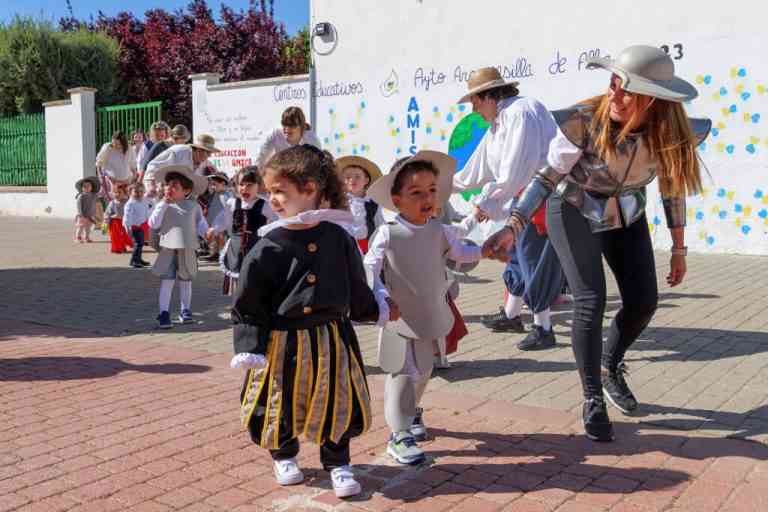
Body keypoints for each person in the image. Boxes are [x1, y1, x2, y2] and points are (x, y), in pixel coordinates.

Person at [483, 45, 711, 442]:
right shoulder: (583, 122)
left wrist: (679, 249)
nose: (615, 95)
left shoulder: (671, 133)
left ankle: (610, 365)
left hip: (626, 214)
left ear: (653, 99)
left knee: (644, 301)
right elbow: (545, 178)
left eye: (627, 90)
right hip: (572, 207)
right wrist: (514, 225)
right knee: (590, 299)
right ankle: (592, 397)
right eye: (613, 84)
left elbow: (673, 190)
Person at [231, 145, 392, 498]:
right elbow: (249, 300)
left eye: (280, 191)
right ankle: (283, 453)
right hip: (282, 340)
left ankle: (338, 461)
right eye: (270, 191)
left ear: (310, 189)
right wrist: (249, 344)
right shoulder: (269, 243)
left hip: (331, 337)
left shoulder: (339, 236)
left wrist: (375, 309)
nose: (272, 199)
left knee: (337, 398)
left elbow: (354, 282)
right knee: (280, 397)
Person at [364, 151, 485, 465]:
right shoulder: (388, 233)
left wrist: (488, 249)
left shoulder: (439, 231)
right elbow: (370, 268)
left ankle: (410, 413)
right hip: (397, 320)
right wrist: (379, 298)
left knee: (425, 370)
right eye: (416, 193)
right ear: (397, 200)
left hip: (430, 315)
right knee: (401, 374)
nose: (427, 198)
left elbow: (459, 251)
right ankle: (398, 434)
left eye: (432, 190)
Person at [453, 67, 565, 351]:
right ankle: (512, 316)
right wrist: (439, 184)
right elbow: (474, 171)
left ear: (489, 96)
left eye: (475, 101)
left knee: (530, 260)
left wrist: (483, 208)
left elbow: (515, 171)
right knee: (518, 258)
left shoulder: (520, 113)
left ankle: (543, 327)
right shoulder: (499, 122)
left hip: (541, 197)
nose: (474, 109)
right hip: (524, 196)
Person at [148, 162, 210, 329]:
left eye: (175, 186)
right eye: (168, 185)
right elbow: (153, 224)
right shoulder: (163, 205)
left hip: (187, 248)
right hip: (168, 248)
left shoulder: (193, 206)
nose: (169, 188)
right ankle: (164, 313)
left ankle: (185, 310)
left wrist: (207, 232)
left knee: (186, 281)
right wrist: (163, 204)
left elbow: (200, 223)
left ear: (186, 191)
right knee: (167, 281)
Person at [212, 166, 277, 295]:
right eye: (241, 184)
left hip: (255, 249)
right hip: (235, 251)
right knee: (237, 283)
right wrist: (214, 230)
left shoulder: (264, 205)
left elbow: (277, 221)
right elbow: (224, 220)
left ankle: (251, 308)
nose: (244, 189)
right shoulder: (232, 203)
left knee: (253, 282)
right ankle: (237, 308)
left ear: (258, 186)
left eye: (249, 185)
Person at [337, 155, 385, 253]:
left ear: (366, 180)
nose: (352, 180)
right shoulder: (340, 201)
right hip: (346, 248)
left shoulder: (373, 203)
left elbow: (380, 225)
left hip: (369, 248)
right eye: (348, 177)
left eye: (357, 177)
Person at [255, 107, 321, 168]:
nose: (287, 128)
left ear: (301, 126)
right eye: (284, 124)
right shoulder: (275, 134)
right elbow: (260, 160)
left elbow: (319, 164)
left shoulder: (312, 140)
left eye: (291, 125)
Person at [200, 172, 232, 262]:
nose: (213, 187)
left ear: (223, 184)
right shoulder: (217, 194)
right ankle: (216, 253)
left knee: (222, 238)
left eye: (215, 184)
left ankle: (223, 255)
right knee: (217, 238)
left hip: (223, 223)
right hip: (216, 221)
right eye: (212, 184)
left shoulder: (226, 196)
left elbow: (227, 211)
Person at [96, 131, 137, 199]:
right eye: (114, 143)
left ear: (123, 143)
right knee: (113, 203)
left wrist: (134, 177)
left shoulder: (129, 149)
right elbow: (99, 162)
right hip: (111, 181)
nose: (115, 146)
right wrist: (100, 176)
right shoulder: (107, 147)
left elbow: (133, 164)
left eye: (118, 144)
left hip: (126, 181)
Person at [123, 183, 151, 268]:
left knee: (141, 243)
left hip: (141, 225)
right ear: (130, 192)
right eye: (136, 192)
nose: (139, 193)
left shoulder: (143, 201)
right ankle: (134, 261)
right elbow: (127, 216)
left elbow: (147, 210)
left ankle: (139, 259)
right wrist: (128, 227)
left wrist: (148, 220)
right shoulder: (130, 204)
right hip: (134, 227)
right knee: (138, 244)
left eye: (141, 191)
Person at [103, 186, 133, 254]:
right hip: (115, 223)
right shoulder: (112, 203)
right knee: (115, 237)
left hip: (124, 222)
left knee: (123, 235)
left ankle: (122, 247)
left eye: (119, 192)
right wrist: (107, 220)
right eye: (115, 192)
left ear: (124, 194)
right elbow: (107, 213)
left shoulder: (127, 202)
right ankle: (116, 248)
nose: (117, 194)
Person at [74, 176, 100, 243]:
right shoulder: (81, 196)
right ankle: (78, 237)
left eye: (88, 186)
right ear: (82, 188)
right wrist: (80, 214)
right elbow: (78, 205)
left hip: (90, 215)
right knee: (80, 226)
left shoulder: (94, 195)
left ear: (92, 187)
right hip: (82, 215)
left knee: (88, 227)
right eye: (84, 186)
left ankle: (86, 237)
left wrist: (95, 214)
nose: (86, 187)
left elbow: (95, 205)